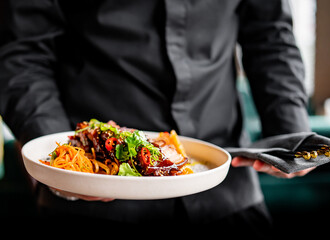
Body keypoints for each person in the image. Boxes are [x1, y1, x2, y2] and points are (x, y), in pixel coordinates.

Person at [0, 0, 314, 236]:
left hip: (227, 191)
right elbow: (22, 50)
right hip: (91, 205)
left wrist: (291, 135)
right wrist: (61, 167)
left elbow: (270, 34)